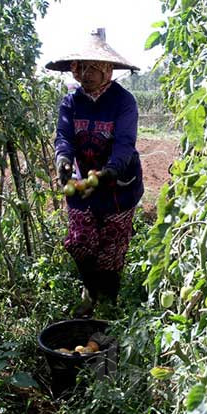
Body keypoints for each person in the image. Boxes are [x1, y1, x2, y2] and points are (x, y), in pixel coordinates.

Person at [45, 31, 144, 317]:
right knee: (80, 242)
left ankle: (108, 302)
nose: (85, 74)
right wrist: (63, 160)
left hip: (118, 188)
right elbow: (63, 137)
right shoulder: (70, 103)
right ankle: (90, 291)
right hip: (81, 187)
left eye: (92, 68)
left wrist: (109, 171)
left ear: (108, 70)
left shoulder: (124, 102)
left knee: (112, 246)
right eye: (80, 67)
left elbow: (125, 144)